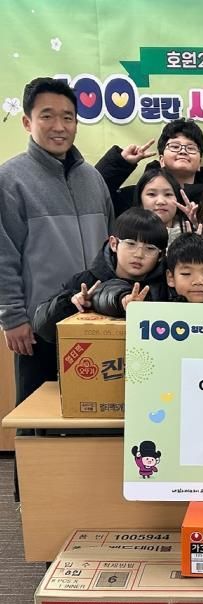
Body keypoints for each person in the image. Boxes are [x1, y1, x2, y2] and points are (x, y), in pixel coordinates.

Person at [0, 76, 113, 409]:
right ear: (27, 122)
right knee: (37, 419)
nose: (59, 126)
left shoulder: (92, 178)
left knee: (93, 417)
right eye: (47, 116)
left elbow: (111, 249)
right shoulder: (10, 180)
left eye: (68, 117)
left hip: (96, 323)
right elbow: (3, 256)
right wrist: (13, 318)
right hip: (39, 327)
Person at [33, 208, 169, 337]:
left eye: (150, 248)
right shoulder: (86, 282)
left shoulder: (166, 285)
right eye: (130, 244)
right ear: (114, 244)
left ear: (160, 255)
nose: (139, 254)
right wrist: (70, 303)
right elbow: (42, 327)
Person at [95, 118, 203, 217]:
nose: (183, 152)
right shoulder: (136, 197)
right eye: (175, 146)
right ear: (161, 160)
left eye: (191, 148)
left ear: (199, 163)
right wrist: (121, 162)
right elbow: (94, 195)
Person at [134, 167, 186, 244]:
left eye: (168, 194)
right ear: (140, 199)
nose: (160, 201)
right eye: (152, 194)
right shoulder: (126, 235)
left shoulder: (192, 232)